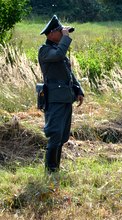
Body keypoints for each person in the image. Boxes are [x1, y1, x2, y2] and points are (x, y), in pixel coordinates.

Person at [38, 15, 84, 174]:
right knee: (55, 134)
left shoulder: (59, 50)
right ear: (51, 34)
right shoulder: (45, 51)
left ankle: (55, 170)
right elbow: (57, 55)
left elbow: (68, 74)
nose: (64, 33)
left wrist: (78, 89)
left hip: (65, 98)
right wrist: (65, 39)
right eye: (60, 30)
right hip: (55, 99)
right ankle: (50, 171)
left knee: (63, 136)